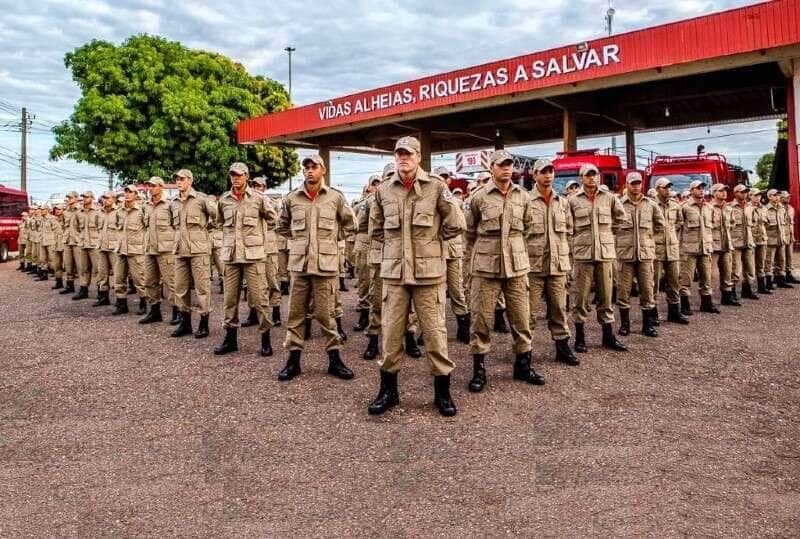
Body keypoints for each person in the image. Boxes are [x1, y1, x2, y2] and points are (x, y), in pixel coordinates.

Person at [367, 136, 464, 417]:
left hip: (428, 275)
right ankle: (388, 392)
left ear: (419, 157)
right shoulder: (384, 190)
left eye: (408, 154)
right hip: (395, 275)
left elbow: (456, 223)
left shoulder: (435, 187)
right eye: (399, 154)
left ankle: (442, 393)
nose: (403, 158)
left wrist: (433, 243)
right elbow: (375, 229)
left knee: (435, 335)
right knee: (391, 336)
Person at [465, 150, 541, 392]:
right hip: (486, 267)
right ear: (492, 168)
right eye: (501, 165)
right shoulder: (479, 197)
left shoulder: (523, 197)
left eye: (509, 165)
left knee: (521, 318)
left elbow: (527, 227)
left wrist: (514, 248)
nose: (506, 169)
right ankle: (479, 370)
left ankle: (523, 366)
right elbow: (469, 231)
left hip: (517, 266)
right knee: (481, 320)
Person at [276, 154, 356, 381]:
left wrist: (332, 239)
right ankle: (293, 362)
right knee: (295, 314)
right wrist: (301, 241)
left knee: (326, 315)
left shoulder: (335, 198)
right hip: (300, 267)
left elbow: (351, 225)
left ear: (323, 170)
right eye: (307, 167)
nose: (310, 170)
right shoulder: (292, 198)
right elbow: (282, 226)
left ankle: (335, 360)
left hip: (326, 266)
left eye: (314, 167)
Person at [213, 164, 278, 356]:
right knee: (229, 299)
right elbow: (219, 222)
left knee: (259, 299)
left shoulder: (259, 199)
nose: (235, 178)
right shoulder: (224, 200)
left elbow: (273, 219)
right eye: (232, 175)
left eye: (239, 175)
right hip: (232, 256)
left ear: (246, 177)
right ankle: (230, 339)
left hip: (253, 256)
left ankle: (265, 339)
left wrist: (259, 239)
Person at [568, 163, 628, 353]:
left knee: (606, 296)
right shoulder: (572, 200)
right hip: (583, 255)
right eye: (588, 175)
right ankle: (580, 337)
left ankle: (608, 336)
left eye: (595, 174)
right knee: (581, 297)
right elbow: (568, 227)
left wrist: (608, 234)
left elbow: (621, 218)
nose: (592, 178)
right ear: (581, 178)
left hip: (605, 254)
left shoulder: (609, 198)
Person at [526, 158, 579, 366]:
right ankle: (525, 352)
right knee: (528, 314)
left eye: (551, 171)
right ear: (535, 175)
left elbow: (569, 232)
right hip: (533, 266)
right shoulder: (525, 200)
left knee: (558, 309)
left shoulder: (562, 202)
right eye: (543, 172)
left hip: (557, 266)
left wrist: (568, 263)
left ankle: (562, 347)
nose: (548, 175)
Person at [615, 172, 664, 337]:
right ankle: (625, 325)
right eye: (632, 183)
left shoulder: (650, 204)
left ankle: (647, 325)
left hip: (645, 254)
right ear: (626, 185)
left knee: (647, 290)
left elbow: (659, 225)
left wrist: (648, 239)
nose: (636, 186)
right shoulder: (619, 204)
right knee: (623, 291)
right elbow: (611, 227)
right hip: (625, 254)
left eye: (638, 183)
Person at [170, 169, 218, 337]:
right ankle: (185, 323)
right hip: (180, 249)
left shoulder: (201, 199)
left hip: (199, 249)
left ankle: (204, 323)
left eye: (182, 179)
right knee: (180, 287)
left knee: (202, 288)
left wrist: (205, 230)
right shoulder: (173, 202)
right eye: (177, 179)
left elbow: (217, 216)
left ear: (190, 181)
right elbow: (172, 224)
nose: (178, 182)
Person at [433, 166, 470, 343]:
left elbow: (463, 224)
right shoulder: (429, 198)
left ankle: (463, 327)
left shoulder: (457, 201)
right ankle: (431, 332)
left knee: (457, 290)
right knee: (434, 294)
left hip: (453, 250)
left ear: (449, 180)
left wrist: (443, 236)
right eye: (439, 176)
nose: (442, 179)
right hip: (433, 252)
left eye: (445, 177)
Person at [141, 176, 180, 325]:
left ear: (160, 187)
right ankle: (154, 311)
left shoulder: (170, 205)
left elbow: (177, 227)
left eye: (152, 186)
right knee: (150, 281)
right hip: (150, 248)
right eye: (148, 186)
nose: (149, 188)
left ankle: (177, 312)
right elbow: (145, 226)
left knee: (171, 282)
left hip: (166, 249)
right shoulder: (146, 205)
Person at [679, 180, 719, 314]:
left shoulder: (709, 208)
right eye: (698, 188)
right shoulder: (684, 207)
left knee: (706, 277)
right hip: (689, 248)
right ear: (691, 191)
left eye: (702, 188)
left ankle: (706, 303)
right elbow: (678, 227)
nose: (701, 190)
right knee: (686, 278)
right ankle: (685, 304)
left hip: (705, 247)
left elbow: (711, 226)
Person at [652, 177, 689, 324]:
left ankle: (674, 312)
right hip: (656, 248)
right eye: (664, 187)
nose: (667, 190)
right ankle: (652, 313)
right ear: (657, 189)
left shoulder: (675, 205)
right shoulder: (651, 205)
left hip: (672, 248)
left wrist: (671, 235)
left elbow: (679, 222)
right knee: (653, 283)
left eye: (669, 187)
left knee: (674, 281)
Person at [112, 185, 148, 315]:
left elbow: (147, 228)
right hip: (121, 249)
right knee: (119, 278)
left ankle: (144, 303)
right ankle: (121, 304)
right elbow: (117, 226)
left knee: (139, 279)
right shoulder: (119, 211)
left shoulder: (141, 211)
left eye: (130, 192)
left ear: (136, 195)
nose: (127, 194)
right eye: (126, 192)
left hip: (136, 250)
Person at [728, 184, 758, 300]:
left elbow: (754, 222)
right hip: (736, 242)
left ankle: (747, 289)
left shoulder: (750, 207)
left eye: (746, 192)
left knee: (750, 268)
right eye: (742, 192)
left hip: (748, 241)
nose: (744, 194)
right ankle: (732, 291)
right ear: (735, 193)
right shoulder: (730, 207)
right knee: (735, 270)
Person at [73, 192, 102, 301]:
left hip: (94, 244)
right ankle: (83, 289)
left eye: (87, 197)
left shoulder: (98, 211)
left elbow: (101, 227)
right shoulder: (78, 212)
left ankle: (101, 291)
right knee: (83, 268)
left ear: (92, 198)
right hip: (83, 243)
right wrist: (79, 239)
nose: (84, 199)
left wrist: (99, 241)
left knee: (98, 269)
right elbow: (75, 227)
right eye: (83, 197)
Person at [94, 192, 119, 307]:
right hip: (101, 246)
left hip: (114, 247)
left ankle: (120, 301)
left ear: (113, 199)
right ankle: (103, 297)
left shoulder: (119, 212)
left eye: (107, 198)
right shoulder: (99, 213)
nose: (105, 200)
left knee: (118, 273)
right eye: (103, 198)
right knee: (102, 273)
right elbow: (97, 228)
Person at [765, 189, 792, 289]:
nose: (777, 197)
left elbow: (784, 224)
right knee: (769, 261)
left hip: (781, 239)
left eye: (778, 195)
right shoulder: (765, 209)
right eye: (774, 195)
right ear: (769, 197)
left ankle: (781, 280)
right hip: (770, 239)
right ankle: (769, 282)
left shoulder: (782, 209)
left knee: (781, 260)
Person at [749, 188, 771, 294]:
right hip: (750, 240)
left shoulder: (764, 208)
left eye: (759, 195)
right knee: (749, 265)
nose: (758, 197)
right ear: (750, 196)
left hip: (762, 239)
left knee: (761, 263)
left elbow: (766, 223)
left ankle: (761, 287)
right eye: (755, 195)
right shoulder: (747, 208)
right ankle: (748, 289)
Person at [780, 191, 798, 283]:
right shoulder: (778, 208)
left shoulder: (791, 208)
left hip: (789, 235)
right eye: (786, 197)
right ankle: (780, 276)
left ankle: (789, 274)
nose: (788, 198)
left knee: (789, 256)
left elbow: (791, 223)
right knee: (781, 257)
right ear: (781, 198)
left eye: (789, 197)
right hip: (781, 236)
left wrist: (793, 236)